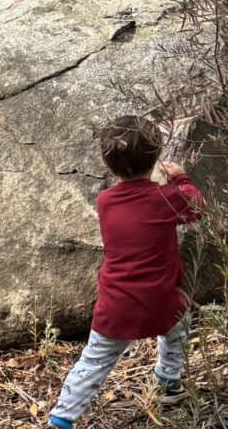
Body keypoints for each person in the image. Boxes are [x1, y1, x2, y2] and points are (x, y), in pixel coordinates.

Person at [48, 115, 204, 428]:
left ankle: (61, 419)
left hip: (117, 306)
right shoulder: (164, 198)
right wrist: (181, 178)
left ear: (106, 162)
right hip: (163, 300)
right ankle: (168, 382)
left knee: (92, 364)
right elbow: (196, 206)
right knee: (178, 329)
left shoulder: (105, 201)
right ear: (156, 158)